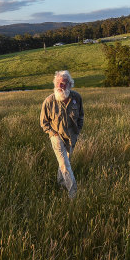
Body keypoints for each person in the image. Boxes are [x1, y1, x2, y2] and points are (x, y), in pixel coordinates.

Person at [40, 70, 84, 198]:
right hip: (56, 137)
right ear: (55, 84)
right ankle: (73, 194)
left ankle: (59, 184)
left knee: (65, 162)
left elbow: (81, 116)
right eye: (58, 83)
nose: (60, 86)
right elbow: (44, 122)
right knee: (65, 165)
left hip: (72, 137)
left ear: (70, 85)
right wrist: (53, 134)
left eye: (64, 83)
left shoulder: (77, 98)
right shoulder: (49, 101)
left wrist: (78, 130)